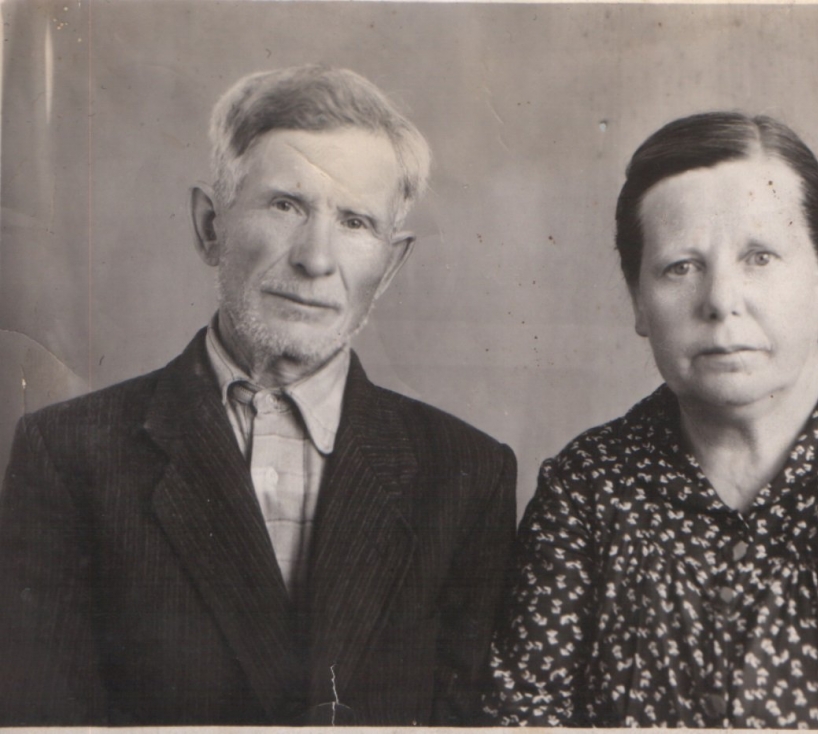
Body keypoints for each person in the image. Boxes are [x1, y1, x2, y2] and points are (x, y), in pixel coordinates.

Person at [0, 65, 516, 726]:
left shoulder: (467, 476)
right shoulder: (68, 455)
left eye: (355, 221)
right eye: (286, 206)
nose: (316, 259)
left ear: (389, 265)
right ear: (210, 226)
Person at [486, 112, 818, 729]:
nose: (720, 300)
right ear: (637, 299)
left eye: (759, 257)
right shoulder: (587, 487)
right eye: (681, 267)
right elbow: (523, 716)